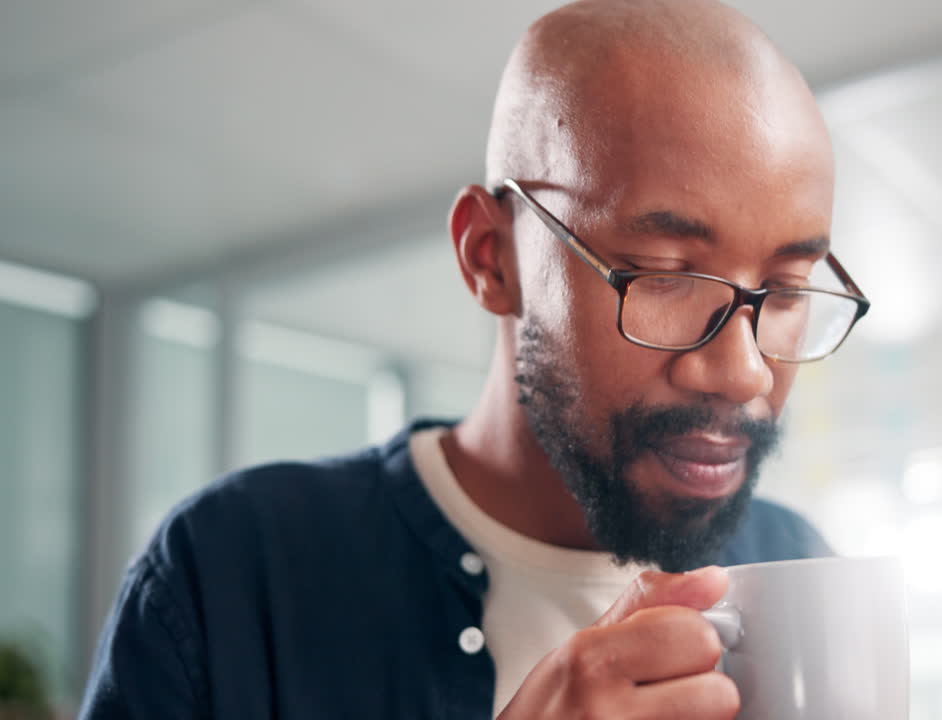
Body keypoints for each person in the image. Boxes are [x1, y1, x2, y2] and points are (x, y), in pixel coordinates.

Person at [78, 0, 871, 717]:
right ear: (492, 257)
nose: (743, 373)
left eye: (787, 290)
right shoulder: (233, 574)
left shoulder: (798, 563)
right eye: (665, 275)